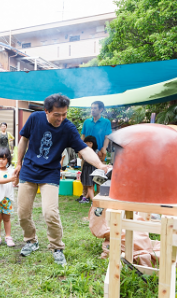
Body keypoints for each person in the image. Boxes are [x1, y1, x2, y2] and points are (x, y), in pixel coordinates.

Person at [13, 93, 111, 266]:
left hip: (50, 171)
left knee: (50, 212)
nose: (61, 118)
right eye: (57, 115)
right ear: (46, 111)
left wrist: (101, 166)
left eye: (64, 114)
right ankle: (31, 240)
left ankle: (57, 247)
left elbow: (84, 150)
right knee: (22, 212)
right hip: (29, 169)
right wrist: (18, 163)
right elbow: (24, 140)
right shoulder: (35, 118)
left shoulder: (67, 127)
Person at [77, 101, 112, 203]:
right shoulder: (86, 122)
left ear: (101, 109)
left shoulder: (106, 122)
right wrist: (79, 149)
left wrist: (104, 148)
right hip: (86, 155)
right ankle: (85, 196)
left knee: (99, 177)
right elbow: (82, 137)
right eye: (91, 108)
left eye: (95, 108)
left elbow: (107, 137)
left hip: (99, 155)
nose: (92, 110)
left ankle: (100, 197)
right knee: (86, 176)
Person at [78, 136, 98, 204]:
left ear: (93, 143)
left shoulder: (95, 151)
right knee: (90, 185)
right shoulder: (84, 150)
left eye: (90, 143)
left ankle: (93, 201)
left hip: (91, 169)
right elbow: (81, 157)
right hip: (87, 169)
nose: (88, 144)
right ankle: (86, 198)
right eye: (86, 142)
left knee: (90, 186)